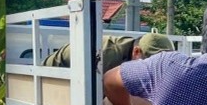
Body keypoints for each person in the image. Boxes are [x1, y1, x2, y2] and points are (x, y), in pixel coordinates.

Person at [41, 31, 175, 70]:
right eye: (151, 62)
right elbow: (100, 94)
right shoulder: (109, 55)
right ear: (136, 51)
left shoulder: (130, 48)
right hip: (53, 75)